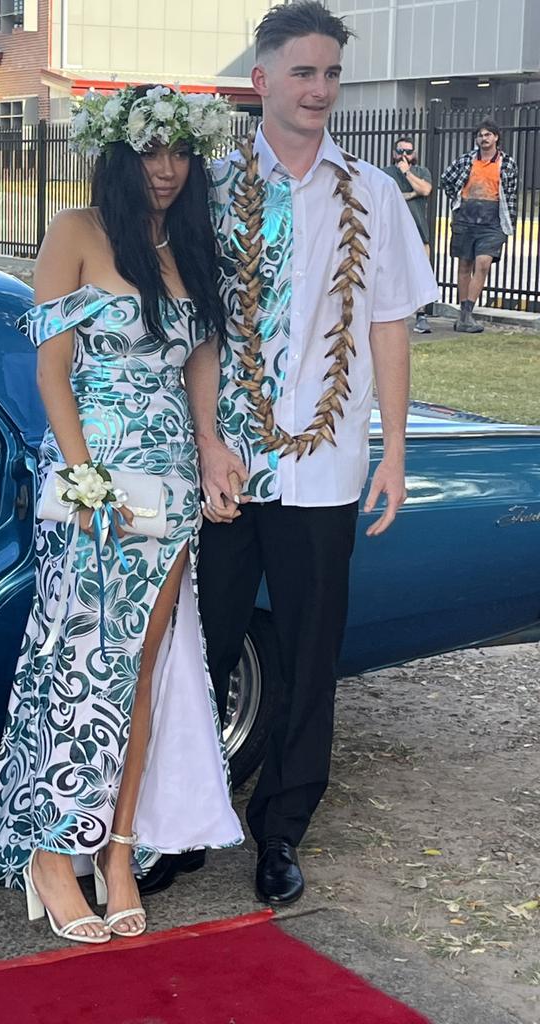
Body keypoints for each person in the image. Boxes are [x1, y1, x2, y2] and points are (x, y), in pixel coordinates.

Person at [0, 84, 243, 943]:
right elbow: (53, 375)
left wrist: (211, 447)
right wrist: (84, 481)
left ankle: (118, 849)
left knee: (143, 670)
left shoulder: (193, 244)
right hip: (90, 479)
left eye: (180, 152)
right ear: (120, 154)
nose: (166, 168)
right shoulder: (75, 232)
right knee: (74, 666)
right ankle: (52, 854)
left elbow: (201, 364)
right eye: (151, 150)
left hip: (168, 483)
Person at [153, 1, 438, 908]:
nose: (319, 90)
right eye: (303, 72)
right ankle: (183, 825)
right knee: (202, 648)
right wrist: (206, 444)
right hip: (228, 464)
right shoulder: (206, 185)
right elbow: (194, 324)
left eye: (331, 75)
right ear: (261, 80)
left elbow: (389, 323)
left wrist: (392, 453)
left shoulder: (374, 193)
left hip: (324, 466)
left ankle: (280, 831)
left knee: (312, 653)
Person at [441, 119, 518, 333]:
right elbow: (446, 178)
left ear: (496, 137)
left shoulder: (507, 163)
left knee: (483, 264)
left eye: (487, 135)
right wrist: (456, 198)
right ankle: (463, 316)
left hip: (492, 220)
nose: (483, 139)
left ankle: (468, 312)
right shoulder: (466, 160)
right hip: (465, 218)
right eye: (480, 135)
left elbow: (511, 194)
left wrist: (508, 224)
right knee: (464, 265)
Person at [383, 136, 434, 334]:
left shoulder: (422, 172)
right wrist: (412, 194)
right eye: (400, 151)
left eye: (408, 151)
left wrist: (406, 173)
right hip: (394, 233)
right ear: (393, 153)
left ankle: (421, 316)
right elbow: (388, 196)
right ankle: (392, 316)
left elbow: (426, 189)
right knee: (391, 275)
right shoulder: (385, 173)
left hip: (419, 232)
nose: (404, 155)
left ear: (414, 154)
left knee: (420, 274)